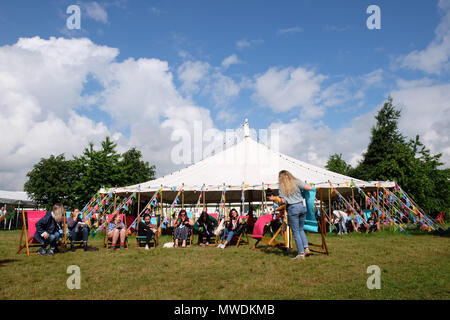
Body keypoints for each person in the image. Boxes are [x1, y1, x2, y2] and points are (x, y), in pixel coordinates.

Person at [278, 170, 313, 260]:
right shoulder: (296, 181)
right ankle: (306, 248)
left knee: (296, 231)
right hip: (302, 206)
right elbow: (309, 187)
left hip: (293, 209)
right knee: (301, 229)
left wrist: (283, 200)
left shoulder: (281, 186)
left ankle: (301, 253)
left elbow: (282, 201)